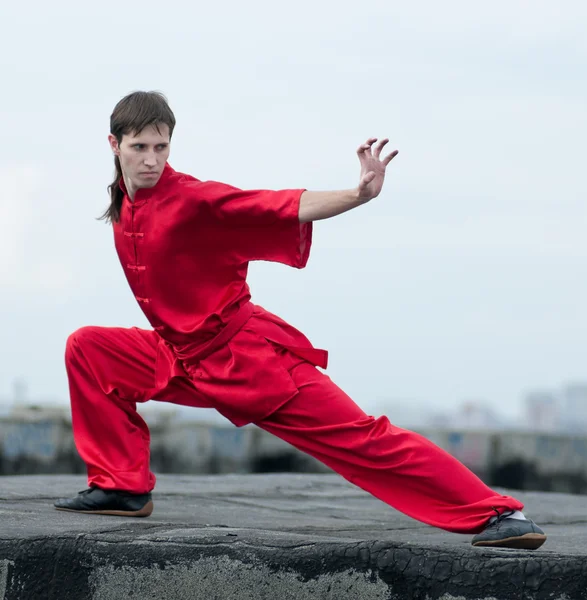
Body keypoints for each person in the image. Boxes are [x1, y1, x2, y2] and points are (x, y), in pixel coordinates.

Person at [54, 91, 546, 550]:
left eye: (161, 147)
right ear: (114, 144)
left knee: (363, 437)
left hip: (245, 361)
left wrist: (358, 195)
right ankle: (121, 488)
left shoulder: (194, 200)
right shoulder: (124, 202)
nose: (151, 160)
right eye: (139, 147)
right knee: (89, 348)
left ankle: (497, 514)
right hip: (177, 354)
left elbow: (278, 205)